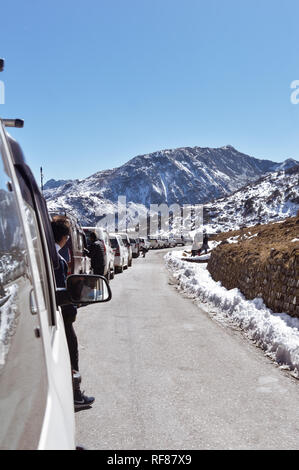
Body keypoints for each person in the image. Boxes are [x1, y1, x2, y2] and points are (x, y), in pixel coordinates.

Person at [51, 218, 95, 410]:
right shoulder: (56, 260)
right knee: (71, 353)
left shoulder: (42, 255)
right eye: (68, 236)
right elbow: (61, 293)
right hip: (59, 318)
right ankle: (75, 395)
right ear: (64, 237)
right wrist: (73, 309)